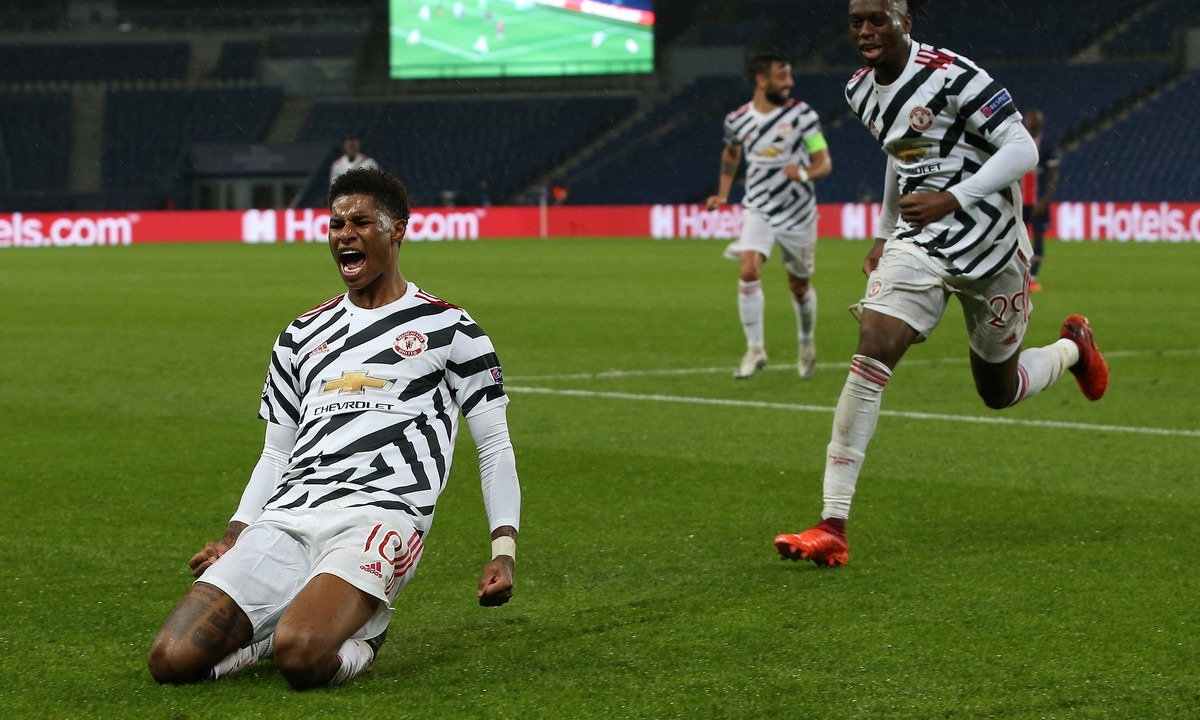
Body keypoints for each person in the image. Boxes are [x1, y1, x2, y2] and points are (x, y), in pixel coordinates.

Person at [147, 167, 522, 689]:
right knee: (170, 661)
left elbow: (494, 446)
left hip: (380, 517)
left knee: (302, 658)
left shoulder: (451, 328)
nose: (345, 234)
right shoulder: (301, 334)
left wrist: (503, 551)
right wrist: (236, 533)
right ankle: (272, 636)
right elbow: (275, 454)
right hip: (288, 516)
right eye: (336, 224)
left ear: (397, 230)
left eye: (361, 222)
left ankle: (363, 639)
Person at [773, 0, 1108, 568]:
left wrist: (954, 197)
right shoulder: (859, 90)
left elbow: (1022, 148)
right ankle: (832, 523)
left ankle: (1073, 349)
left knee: (998, 391)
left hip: (993, 245)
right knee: (873, 346)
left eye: (878, 19)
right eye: (856, 21)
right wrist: (884, 234)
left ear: (905, 21)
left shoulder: (952, 75)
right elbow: (898, 153)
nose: (865, 30)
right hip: (919, 242)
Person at [706, 53, 833, 380]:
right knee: (748, 269)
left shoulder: (803, 115)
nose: (790, 82)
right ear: (761, 80)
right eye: (782, 76)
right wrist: (722, 193)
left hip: (798, 212)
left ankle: (806, 342)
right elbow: (731, 151)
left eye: (789, 75)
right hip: (758, 207)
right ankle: (755, 349)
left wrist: (803, 174)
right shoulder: (737, 120)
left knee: (799, 286)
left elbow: (823, 162)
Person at [1020, 109, 1060, 292]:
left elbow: (1053, 175)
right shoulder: (1019, 143)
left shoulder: (1047, 146)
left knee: (1038, 239)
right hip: (1020, 202)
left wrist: (1045, 200)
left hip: (1038, 203)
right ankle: (1019, 276)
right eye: (1029, 122)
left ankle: (1033, 278)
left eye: (1033, 123)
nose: (1031, 125)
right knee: (1016, 240)